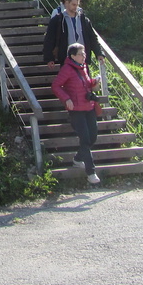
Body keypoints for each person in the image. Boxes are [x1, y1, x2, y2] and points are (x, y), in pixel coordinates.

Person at [51, 42, 102, 184]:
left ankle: (78, 159)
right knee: (85, 139)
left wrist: (93, 82)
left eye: (84, 53)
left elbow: (85, 84)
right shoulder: (67, 69)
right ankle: (91, 172)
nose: (84, 56)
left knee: (93, 137)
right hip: (76, 110)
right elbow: (56, 86)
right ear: (72, 56)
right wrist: (66, 99)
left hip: (89, 106)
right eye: (81, 54)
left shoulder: (83, 67)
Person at [44, 0, 99, 68]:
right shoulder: (58, 20)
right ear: (66, 3)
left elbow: (92, 37)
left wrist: (99, 54)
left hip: (82, 60)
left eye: (77, 5)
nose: (76, 7)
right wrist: (49, 59)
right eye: (73, 5)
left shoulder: (84, 20)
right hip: (66, 60)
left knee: (84, 80)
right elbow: (49, 39)